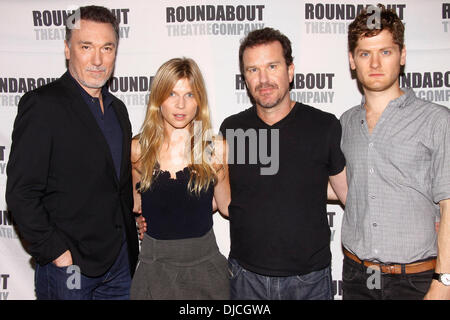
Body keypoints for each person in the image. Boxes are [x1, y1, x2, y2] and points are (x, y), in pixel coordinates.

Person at [6, 5, 139, 300]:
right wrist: (58, 253)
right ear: (68, 49)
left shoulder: (119, 109)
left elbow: (117, 187)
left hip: (119, 265)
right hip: (70, 268)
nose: (97, 59)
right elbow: (21, 192)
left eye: (107, 47)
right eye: (86, 46)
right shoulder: (43, 105)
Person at [219, 27, 347, 300]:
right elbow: (217, 196)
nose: (263, 79)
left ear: (290, 71)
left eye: (272, 66)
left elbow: (349, 194)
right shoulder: (232, 130)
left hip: (309, 281)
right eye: (253, 70)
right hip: (245, 278)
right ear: (245, 78)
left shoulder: (323, 126)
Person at [339, 4, 450, 300]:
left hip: (416, 281)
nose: (375, 63)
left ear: (401, 56)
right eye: (365, 53)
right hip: (357, 276)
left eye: (385, 52)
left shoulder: (437, 120)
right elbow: (342, 185)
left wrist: (444, 280)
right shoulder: (345, 123)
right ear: (352, 60)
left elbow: (449, 205)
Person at [130, 58, 230, 300]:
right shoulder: (139, 149)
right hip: (154, 267)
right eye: (172, 93)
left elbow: (226, 206)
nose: (181, 104)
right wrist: (138, 222)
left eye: (189, 94)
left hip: (205, 267)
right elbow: (136, 205)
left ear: (199, 101)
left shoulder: (214, 148)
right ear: (158, 99)